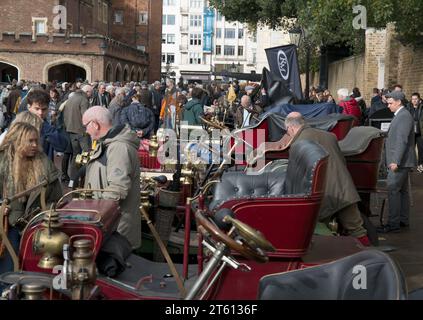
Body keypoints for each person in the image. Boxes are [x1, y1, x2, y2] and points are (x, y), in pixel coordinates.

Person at [284, 112, 370, 245]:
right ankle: (367, 255)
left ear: (291, 128)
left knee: (315, 230)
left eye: (287, 131)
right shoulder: (329, 136)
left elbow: (299, 176)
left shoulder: (298, 144)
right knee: (357, 229)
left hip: (323, 194)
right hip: (344, 188)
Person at [0, 122, 63, 273]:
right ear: (17, 140)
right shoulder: (2, 162)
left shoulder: (44, 163)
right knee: (8, 268)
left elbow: (56, 198)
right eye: (30, 141)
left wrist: (44, 213)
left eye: (36, 140)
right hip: (8, 225)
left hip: (36, 224)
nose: (35, 145)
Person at [82, 106, 141, 249]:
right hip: (110, 226)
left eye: (86, 126)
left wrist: (99, 217)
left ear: (95, 124)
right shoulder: (110, 144)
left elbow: (117, 188)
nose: (86, 131)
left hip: (115, 229)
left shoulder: (118, 147)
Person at [377, 91, 416, 233]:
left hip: (399, 162)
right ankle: (402, 220)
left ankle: (393, 224)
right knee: (402, 192)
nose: (388, 106)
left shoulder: (404, 116)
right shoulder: (401, 115)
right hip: (403, 161)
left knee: (393, 190)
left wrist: (395, 161)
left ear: (399, 102)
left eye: (390, 103)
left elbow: (402, 140)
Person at [27, 89, 68, 160]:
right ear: (29, 107)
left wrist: (44, 126)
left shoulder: (47, 126)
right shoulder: (19, 124)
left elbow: (62, 146)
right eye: (37, 109)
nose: (40, 112)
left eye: (44, 109)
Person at [406, 93, 423, 172]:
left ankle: (420, 165)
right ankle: (410, 165)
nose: (414, 101)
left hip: (420, 132)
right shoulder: (408, 107)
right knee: (410, 149)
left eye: (416, 99)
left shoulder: (422, 107)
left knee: (421, 149)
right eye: (413, 99)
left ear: (419, 99)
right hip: (411, 131)